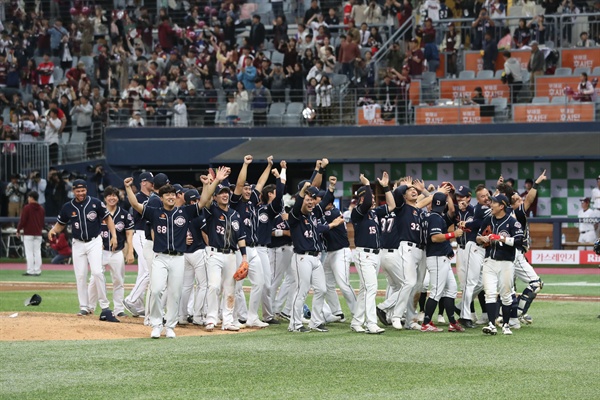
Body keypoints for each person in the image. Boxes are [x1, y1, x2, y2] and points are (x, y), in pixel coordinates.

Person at [123, 168, 221, 339]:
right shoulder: (155, 212)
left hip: (178, 258)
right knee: (156, 290)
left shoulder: (184, 212)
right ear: (160, 198)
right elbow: (135, 205)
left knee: (175, 293)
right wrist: (128, 189)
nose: (170, 197)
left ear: (176, 197)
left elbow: (204, 200)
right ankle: (156, 324)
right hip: (160, 257)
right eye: (166, 195)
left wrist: (207, 185)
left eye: (172, 195)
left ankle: (170, 326)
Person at [48, 179, 119, 322]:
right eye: (78, 191)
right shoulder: (68, 207)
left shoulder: (95, 203)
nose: (80, 193)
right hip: (78, 243)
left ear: (86, 189)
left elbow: (108, 219)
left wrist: (114, 236)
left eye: (83, 190)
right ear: (73, 191)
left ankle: (105, 307)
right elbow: (61, 224)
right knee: (80, 276)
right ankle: (84, 306)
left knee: (97, 272)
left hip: (94, 241)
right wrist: (53, 230)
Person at [287, 180, 344, 333]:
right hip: (302, 257)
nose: (311, 202)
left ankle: (316, 322)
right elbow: (299, 203)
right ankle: (295, 323)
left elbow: (320, 227)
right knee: (302, 291)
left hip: (315, 258)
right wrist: (303, 191)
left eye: (312, 199)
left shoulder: (312, 216)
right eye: (307, 199)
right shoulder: (295, 216)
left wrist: (333, 224)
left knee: (321, 289)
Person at [230, 155, 275, 328]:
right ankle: (232, 317)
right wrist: (245, 164)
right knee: (236, 285)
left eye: (250, 189)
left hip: (254, 248)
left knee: (260, 283)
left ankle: (252, 317)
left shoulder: (252, 201)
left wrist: (269, 165)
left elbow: (261, 183)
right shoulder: (235, 202)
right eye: (245, 189)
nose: (248, 191)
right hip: (239, 249)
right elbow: (240, 184)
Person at [203, 170, 248, 332]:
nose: (225, 195)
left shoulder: (235, 214)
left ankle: (227, 320)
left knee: (230, 289)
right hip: (214, 253)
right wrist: (214, 182)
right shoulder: (211, 211)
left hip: (231, 255)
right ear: (215, 197)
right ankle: (211, 319)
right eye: (221, 193)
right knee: (214, 286)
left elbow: (241, 237)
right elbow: (205, 199)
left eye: (226, 193)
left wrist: (244, 257)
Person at [350, 172, 395, 334]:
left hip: (375, 255)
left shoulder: (374, 213)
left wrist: (385, 187)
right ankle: (371, 323)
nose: (373, 200)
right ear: (361, 199)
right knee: (371, 288)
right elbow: (368, 200)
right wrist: (367, 184)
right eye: (370, 197)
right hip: (364, 254)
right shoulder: (357, 212)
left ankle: (356, 322)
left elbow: (391, 206)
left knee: (365, 289)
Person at [477, 194, 524, 336]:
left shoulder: (512, 222)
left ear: (502, 206)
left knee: (506, 295)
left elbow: (519, 241)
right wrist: (482, 238)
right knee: (489, 293)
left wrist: (501, 238)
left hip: (506, 262)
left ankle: (506, 325)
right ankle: (491, 324)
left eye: (494, 203)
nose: (491, 205)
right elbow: (478, 237)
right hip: (489, 261)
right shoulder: (488, 219)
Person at [421, 191, 464, 332]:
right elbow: (434, 237)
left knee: (451, 289)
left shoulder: (432, 216)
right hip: (436, 257)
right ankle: (426, 323)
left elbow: (451, 211)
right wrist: (453, 234)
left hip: (441, 257)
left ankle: (452, 322)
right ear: (444, 204)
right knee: (436, 292)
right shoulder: (435, 217)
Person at [88, 186, 134, 317]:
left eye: (114, 195)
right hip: (100, 252)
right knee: (94, 278)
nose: (112, 198)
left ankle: (118, 309)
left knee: (118, 280)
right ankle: (89, 307)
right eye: (109, 195)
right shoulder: (97, 213)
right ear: (105, 198)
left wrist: (130, 251)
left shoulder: (125, 214)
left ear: (118, 197)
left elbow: (129, 234)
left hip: (117, 251)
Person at [123, 172, 154, 318]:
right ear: (143, 182)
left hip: (147, 236)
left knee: (143, 272)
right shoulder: (139, 198)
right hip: (141, 234)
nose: (152, 184)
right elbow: (135, 208)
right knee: (150, 270)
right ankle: (131, 299)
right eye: (150, 181)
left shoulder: (152, 198)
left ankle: (138, 305)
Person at [16, 191, 45, 276]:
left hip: (28, 233)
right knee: (37, 252)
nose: (28, 199)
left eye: (29, 197)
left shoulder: (27, 208)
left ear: (31, 197)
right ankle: (37, 270)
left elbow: (23, 220)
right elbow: (42, 222)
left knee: (29, 252)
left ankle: (30, 270)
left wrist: (18, 229)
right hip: (38, 233)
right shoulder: (41, 208)